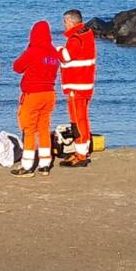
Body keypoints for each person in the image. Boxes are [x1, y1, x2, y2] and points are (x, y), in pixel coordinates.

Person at [11, 21, 59, 178]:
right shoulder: (53, 52)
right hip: (49, 93)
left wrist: (28, 51)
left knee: (29, 129)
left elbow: (17, 67)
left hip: (33, 94)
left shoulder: (33, 51)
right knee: (44, 128)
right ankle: (45, 164)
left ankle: (27, 165)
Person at [57, 9, 97, 167]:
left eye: (65, 21)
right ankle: (83, 149)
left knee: (77, 120)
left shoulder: (75, 38)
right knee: (83, 118)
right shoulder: (87, 33)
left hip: (76, 85)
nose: (63, 25)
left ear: (71, 21)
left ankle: (80, 155)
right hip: (86, 83)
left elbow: (66, 56)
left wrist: (58, 49)